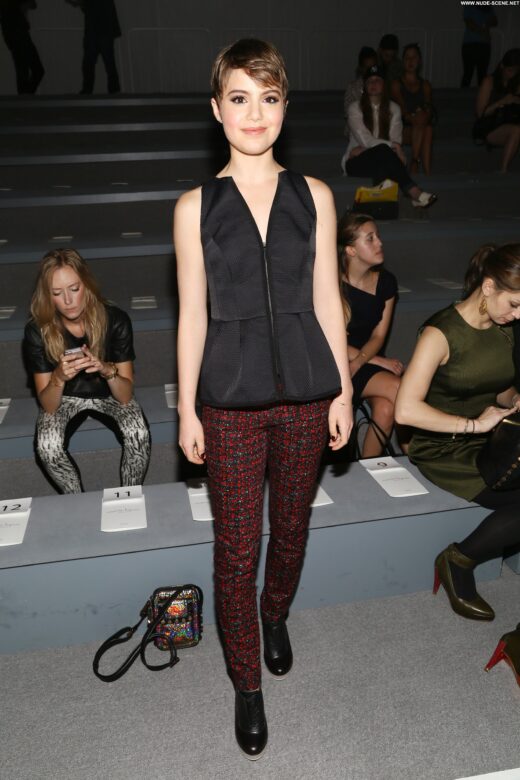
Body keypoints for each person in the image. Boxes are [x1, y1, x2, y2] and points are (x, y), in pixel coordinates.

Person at [174, 38, 352, 759]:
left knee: (294, 529)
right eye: (240, 98)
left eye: (269, 98)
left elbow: (328, 299)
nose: (255, 113)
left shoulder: (316, 196)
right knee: (236, 547)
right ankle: (247, 685)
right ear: (217, 109)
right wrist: (187, 408)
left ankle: (274, 614)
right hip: (230, 402)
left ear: (284, 107)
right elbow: (192, 314)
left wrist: (341, 389)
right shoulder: (195, 207)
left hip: (308, 394)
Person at [395, 243, 520, 688]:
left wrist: (514, 401)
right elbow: (405, 410)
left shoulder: (504, 328)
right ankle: (457, 560)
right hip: (443, 446)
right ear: (488, 287)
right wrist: (473, 424)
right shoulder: (440, 333)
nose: (518, 314)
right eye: (514, 303)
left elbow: (498, 387)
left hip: (491, 439)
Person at [23, 249, 150, 494]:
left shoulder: (115, 319)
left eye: (74, 288)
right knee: (48, 446)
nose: (68, 300)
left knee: (138, 433)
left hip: (109, 394)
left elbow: (125, 396)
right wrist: (58, 377)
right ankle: (76, 501)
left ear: (87, 285)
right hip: (64, 398)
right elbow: (49, 405)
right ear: (48, 296)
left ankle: (130, 498)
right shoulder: (38, 330)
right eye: (57, 293)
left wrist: (106, 369)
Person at [338, 212, 403, 457]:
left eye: (378, 236)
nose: (380, 243)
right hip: (336, 362)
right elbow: (330, 340)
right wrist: (376, 361)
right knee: (399, 390)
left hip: (364, 360)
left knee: (386, 409)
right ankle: (419, 454)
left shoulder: (386, 282)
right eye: (370, 238)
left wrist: (362, 362)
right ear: (351, 250)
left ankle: (369, 467)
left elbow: (378, 336)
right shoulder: (331, 283)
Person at [343, 64, 437, 208]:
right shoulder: (355, 108)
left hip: (382, 160)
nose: (373, 83)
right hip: (356, 162)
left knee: (384, 160)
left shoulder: (394, 109)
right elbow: (366, 140)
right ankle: (414, 192)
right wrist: (393, 146)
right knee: (384, 151)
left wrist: (390, 146)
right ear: (365, 86)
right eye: (370, 81)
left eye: (377, 80)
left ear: (384, 85)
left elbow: (395, 140)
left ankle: (382, 207)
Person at [474, 49, 520, 174]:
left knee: (516, 129)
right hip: (489, 126)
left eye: (515, 71)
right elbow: (480, 114)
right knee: (516, 130)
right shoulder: (489, 81)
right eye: (510, 70)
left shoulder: (516, 82)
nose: (512, 74)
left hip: (510, 121)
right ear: (502, 66)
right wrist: (502, 102)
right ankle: (503, 170)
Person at [391, 44, 434, 175]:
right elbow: (402, 111)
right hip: (402, 128)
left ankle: (417, 163)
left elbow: (428, 108)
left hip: (420, 125)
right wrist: (416, 117)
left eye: (414, 57)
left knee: (427, 128)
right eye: (407, 58)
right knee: (424, 126)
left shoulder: (425, 85)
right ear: (403, 61)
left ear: (419, 61)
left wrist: (422, 115)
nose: (410, 61)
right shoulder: (396, 84)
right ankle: (419, 166)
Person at [65, 0, 121, 94]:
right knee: (102, 63)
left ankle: (90, 90)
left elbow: (89, 7)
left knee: (99, 63)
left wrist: (79, 3)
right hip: (100, 29)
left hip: (100, 30)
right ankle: (112, 90)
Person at [0, 0, 44, 94]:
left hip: (14, 33)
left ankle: (25, 97)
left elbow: (31, 5)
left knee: (26, 70)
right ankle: (25, 96)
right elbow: (32, 5)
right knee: (29, 70)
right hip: (18, 33)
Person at [461, 7, 497, 88]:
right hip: (470, 44)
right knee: (468, 73)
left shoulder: (489, 8)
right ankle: (463, 94)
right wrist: (483, 32)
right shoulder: (469, 7)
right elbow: (469, 23)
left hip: (484, 44)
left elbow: (495, 21)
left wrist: (486, 24)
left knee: (482, 73)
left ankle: (482, 93)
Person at [343, 46, 378, 129]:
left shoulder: (382, 85)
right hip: (357, 127)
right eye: (367, 68)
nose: (370, 71)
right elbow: (348, 112)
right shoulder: (353, 88)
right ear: (361, 68)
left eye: (372, 67)